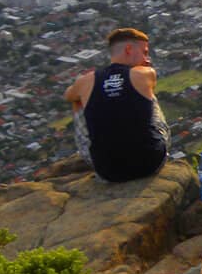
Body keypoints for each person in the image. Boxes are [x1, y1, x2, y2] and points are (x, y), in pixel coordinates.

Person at [64, 27, 170, 182]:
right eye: (144, 52)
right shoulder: (145, 73)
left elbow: (68, 95)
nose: (147, 59)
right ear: (128, 49)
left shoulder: (86, 81)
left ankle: (104, 153)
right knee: (146, 95)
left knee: (78, 101)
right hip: (150, 163)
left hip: (108, 172)